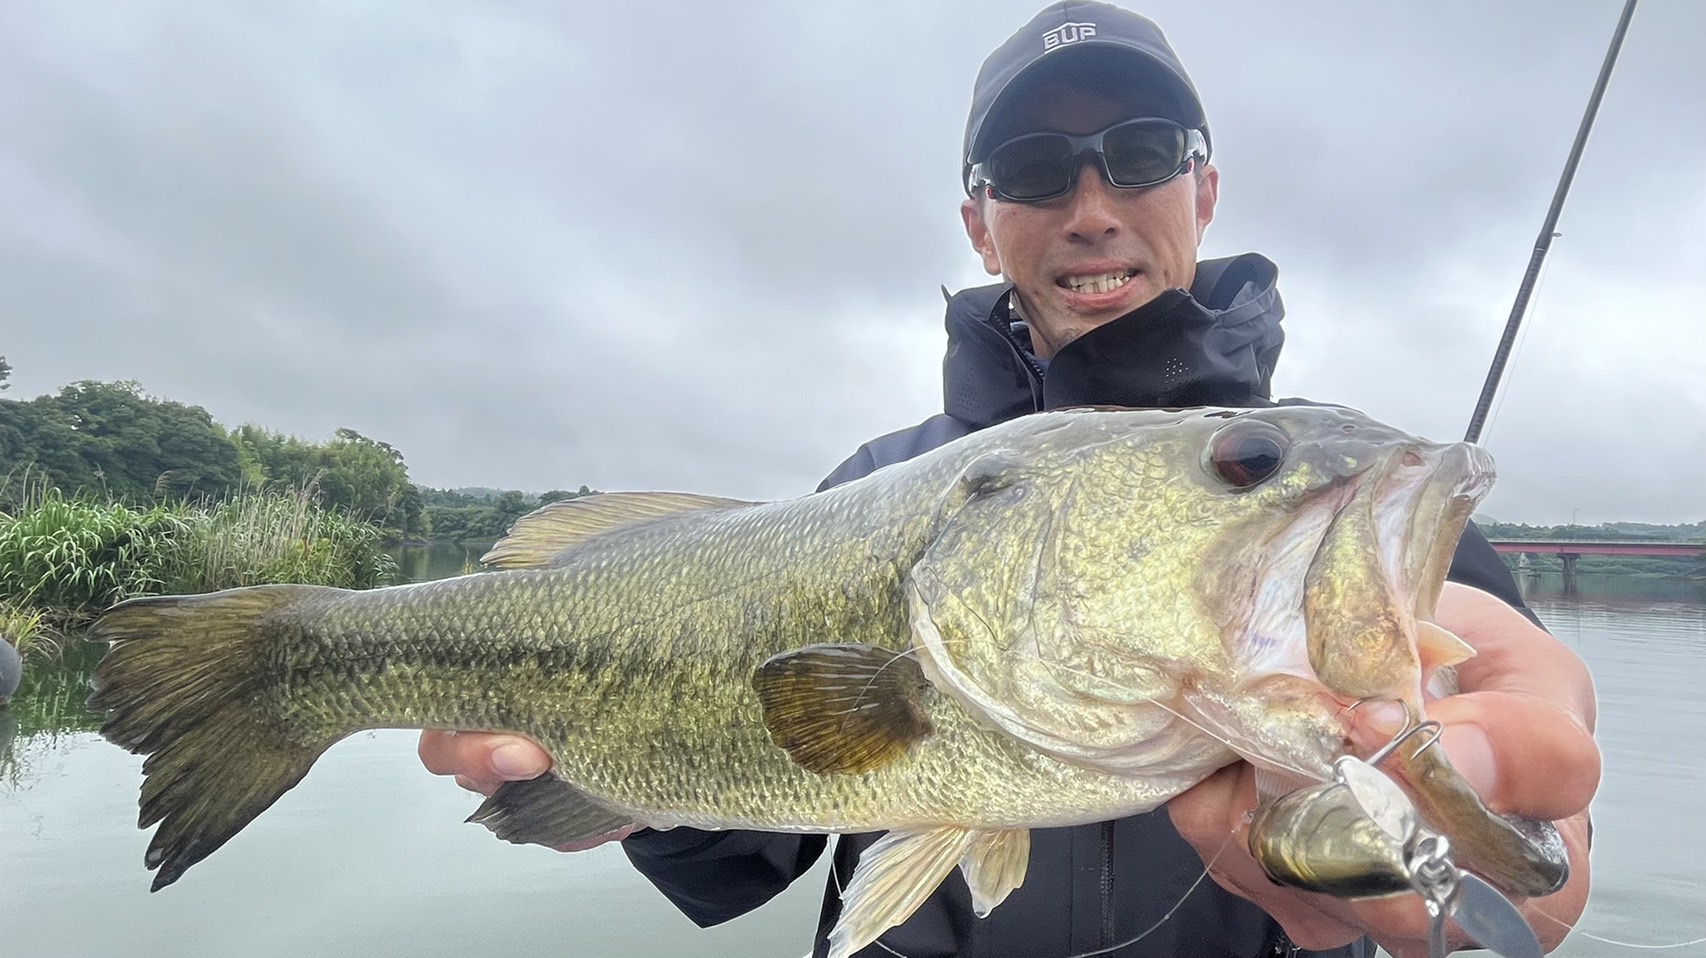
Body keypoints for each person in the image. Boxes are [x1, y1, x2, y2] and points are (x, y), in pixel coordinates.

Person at [419, 3, 1599, 955]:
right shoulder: (869, 489)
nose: (1090, 208)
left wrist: (1510, 863)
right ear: (980, 225)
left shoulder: (1345, 508)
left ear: (1204, 191)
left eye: (1139, 156)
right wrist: (605, 776)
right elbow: (734, 843)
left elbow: (1533, 820)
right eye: (1034, 170)